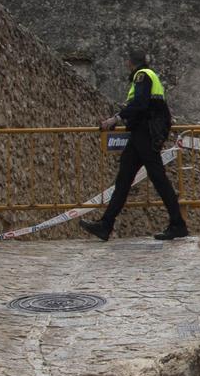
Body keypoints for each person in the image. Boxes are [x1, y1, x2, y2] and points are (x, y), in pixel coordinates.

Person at [79, 50, 191, 241]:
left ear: (130, 63)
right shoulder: (148, 77)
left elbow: (140, 104)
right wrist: (118, 120)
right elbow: (140, 107)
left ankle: (178, 225)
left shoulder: (142, 76)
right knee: (124, 181)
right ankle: (105, 225)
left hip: (145, 134)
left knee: (158, 179)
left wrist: (113, 119)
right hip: (141, 135)